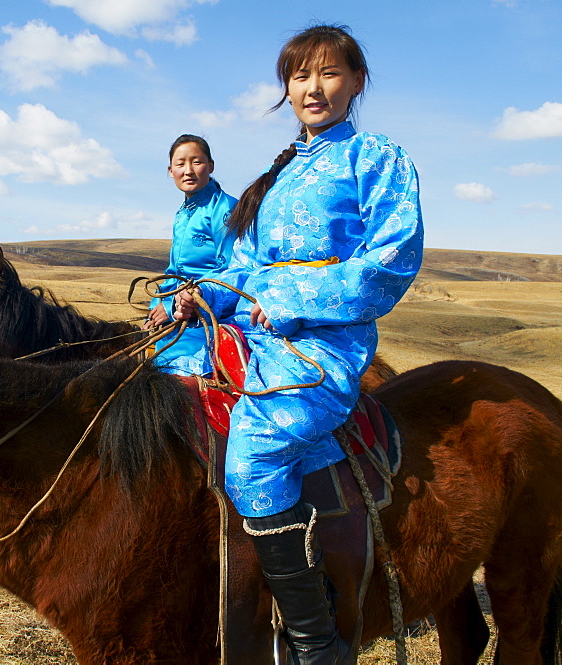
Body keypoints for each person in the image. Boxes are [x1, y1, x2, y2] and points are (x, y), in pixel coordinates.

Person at [174, 24, 423, 663]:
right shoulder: (276, 176)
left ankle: (317, 642)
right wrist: (205, 295)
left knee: (255, 448)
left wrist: (281, 300)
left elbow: (390, 264)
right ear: (287, 86)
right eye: (299, 75)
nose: (313, 88)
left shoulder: (377, 159)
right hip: (255, 337)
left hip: (326, 348)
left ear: (357, 82)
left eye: (329, 73)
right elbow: (245, 265)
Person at [145, 134, 237, 375]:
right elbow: (173, 271)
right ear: (170, 171)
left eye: (196, 162)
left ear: (211, 166)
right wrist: (158, 305)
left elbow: (230, 268)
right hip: (175, 312)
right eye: (180, 164)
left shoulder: (225, 209)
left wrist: (177, 303)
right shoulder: (182, 213)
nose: (188, 170)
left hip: (206, 316)